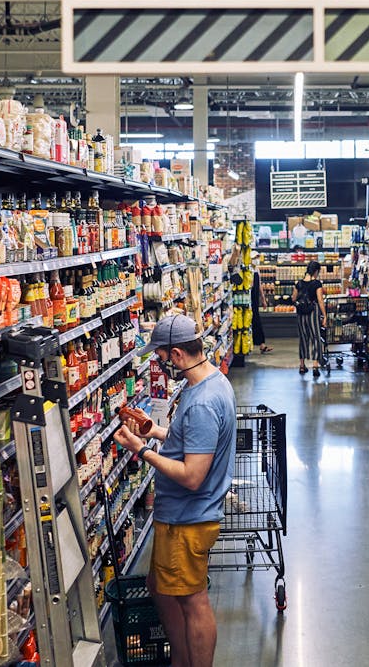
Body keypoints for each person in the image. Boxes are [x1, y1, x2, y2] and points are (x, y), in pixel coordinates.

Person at [113, 314, 235, 667]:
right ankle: (181, 657)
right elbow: (195, 444)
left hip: (187, 518)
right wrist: (154, 431)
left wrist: (142, 450)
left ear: (178, 354)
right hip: (183, 516)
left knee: (193, 601)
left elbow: (192, 474)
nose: (161, 364)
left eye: (163, 357)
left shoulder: (200, 403)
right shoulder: (213, 383)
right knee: (160, 587)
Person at [295, 260, 328, 378]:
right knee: (315, 338)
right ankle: (315, 366)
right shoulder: (317, 284)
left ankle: (302, 365)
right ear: (316, 271)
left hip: (300, 314)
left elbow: (293, 298)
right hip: (313, 313)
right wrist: (324, 315)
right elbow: (320, 300)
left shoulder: (298, 283)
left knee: (303, 339)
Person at [250, 257, 272, 354]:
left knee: (256, 319)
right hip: (246, 299)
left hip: (254, 299)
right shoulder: (247, 269)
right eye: (254, 258)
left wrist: (263, 299)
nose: (256, 260)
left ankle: (261, 344)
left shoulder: (256, 269)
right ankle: (258, 344)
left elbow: (259, 285)